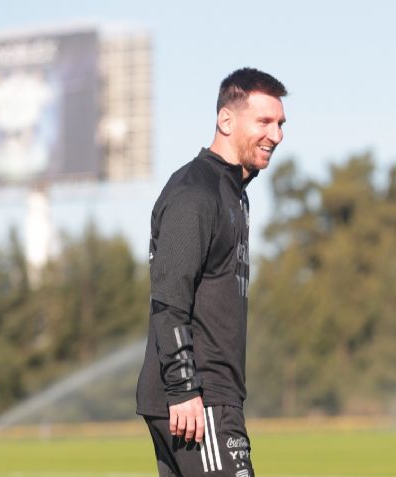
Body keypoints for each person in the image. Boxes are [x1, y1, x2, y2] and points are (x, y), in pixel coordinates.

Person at [136, 67, 287, 477]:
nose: (275, 135)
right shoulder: (195, 191)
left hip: (212, 397)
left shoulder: (234, 194)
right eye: (264, 121)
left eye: (280, 124)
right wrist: (184, 387)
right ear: (226, 120)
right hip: (198, 399)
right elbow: (169, 299)